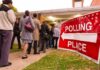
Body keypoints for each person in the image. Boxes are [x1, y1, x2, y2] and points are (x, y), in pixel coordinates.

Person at [0, 0, 16, 67]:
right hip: (7, 29)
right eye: (11, 4)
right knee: (6, 47)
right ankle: (3, 62)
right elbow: (13, 20)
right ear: (9, 3)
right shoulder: (9, 10)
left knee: (0, 46)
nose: (12, 5)